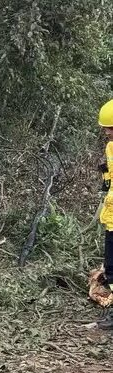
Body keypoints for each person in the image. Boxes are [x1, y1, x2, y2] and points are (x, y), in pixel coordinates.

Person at [97, 100, 113, 328]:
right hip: (111, 217)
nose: (108, 132)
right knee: (110, 268)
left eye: (111, 127)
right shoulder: (110, 147)